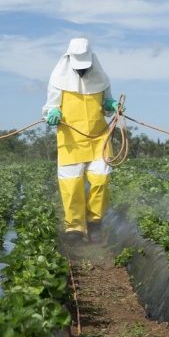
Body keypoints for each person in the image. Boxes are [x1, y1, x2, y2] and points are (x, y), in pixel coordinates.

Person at [42, 38, 123, 241]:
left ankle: (95, 220)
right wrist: (53, 114)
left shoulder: (101, 78)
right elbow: (50, 106)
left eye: (84, 68)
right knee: (71, 185)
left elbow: (106, 104)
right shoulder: (57, 79)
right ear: (69, 60)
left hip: (98, 138)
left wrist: (112, 105)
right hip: (71, 139)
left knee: (101, 179)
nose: (82, 72)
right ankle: (75, 228)